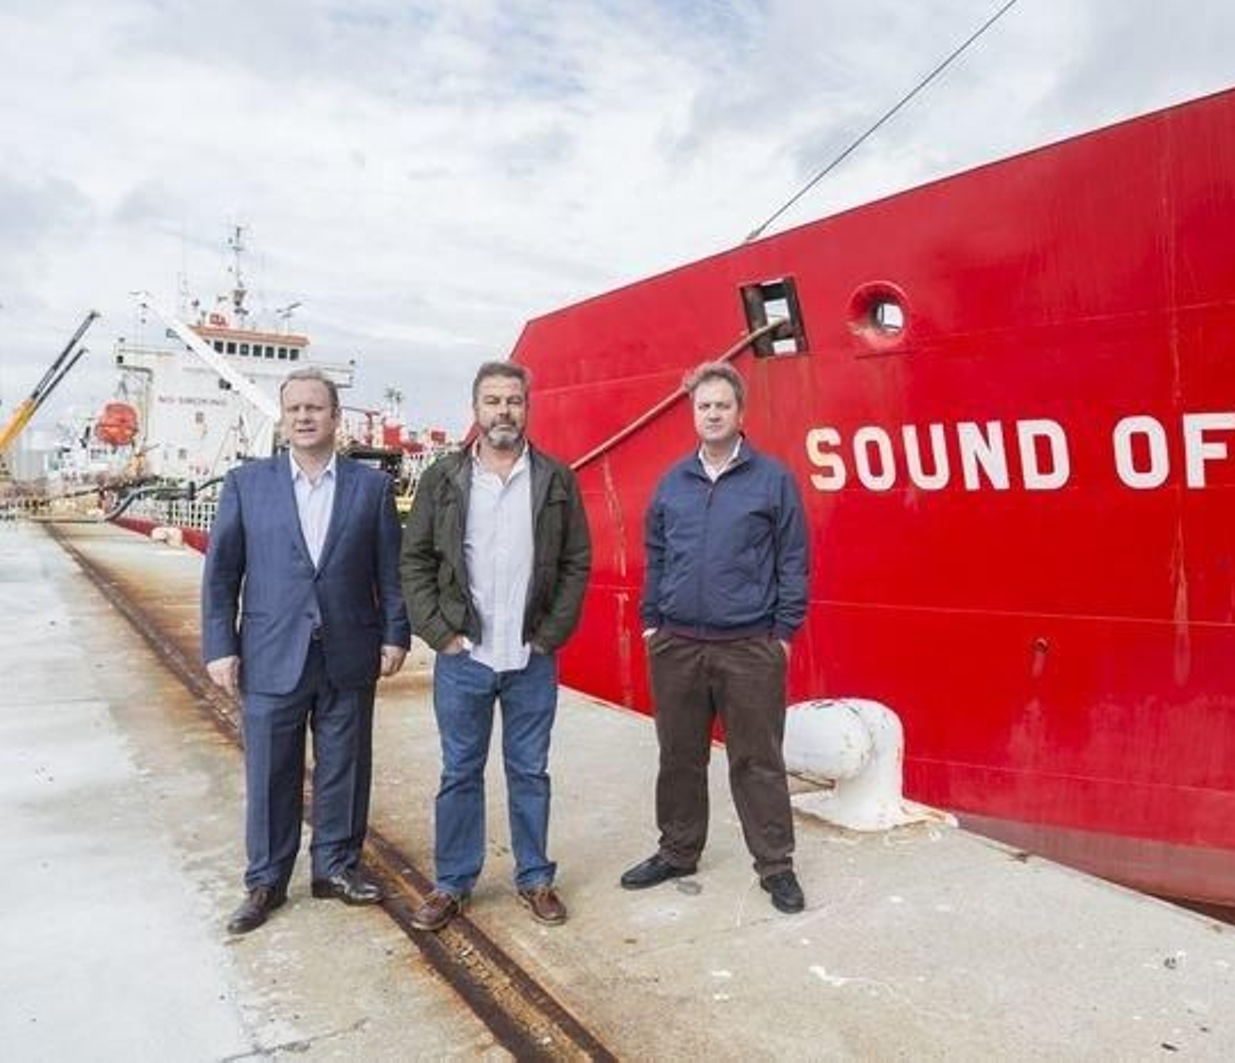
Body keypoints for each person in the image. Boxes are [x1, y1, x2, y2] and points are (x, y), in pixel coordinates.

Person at [202, 368, 410, 935]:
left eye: (315, 408)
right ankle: (266, 879)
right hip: (270, 652)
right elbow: (221, 574)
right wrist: (220, 645)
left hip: (348, 648)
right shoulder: (248, 484)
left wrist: (395, 633)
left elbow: (389, 573)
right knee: (272, 772)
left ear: (336, 418)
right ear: (283, 416)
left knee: (345, 766)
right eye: (294, 409)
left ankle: (336, 868)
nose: (304, 417)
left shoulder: (371, 488)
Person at [400, 361, 592, 932]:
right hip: (466, 656)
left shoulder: (556, 479)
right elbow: (415, 561)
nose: (503, 411)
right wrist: (440, 633)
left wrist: (550, 634)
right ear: (475, 409)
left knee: (530, 770)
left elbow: (577, 562)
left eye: (513, 400)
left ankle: (535, 877)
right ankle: (453, 883)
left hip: (530, 657)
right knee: (460, 770)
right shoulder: (444, 477)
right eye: (492, 401)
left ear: (527, 408)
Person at [622, 362, 811, 913]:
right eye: (704, 406)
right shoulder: (672, 482)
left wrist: (782, 632)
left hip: (749, 645)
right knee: (679, 755)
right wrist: (653, 621)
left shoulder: (772, 480)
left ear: (739, 413)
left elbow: (793, 560)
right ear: (693, 414)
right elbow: (655, 554)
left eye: (722, 406)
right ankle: (678, 850)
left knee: (758, 759)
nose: (712, 414)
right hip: (677, 643)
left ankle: (775, 865)